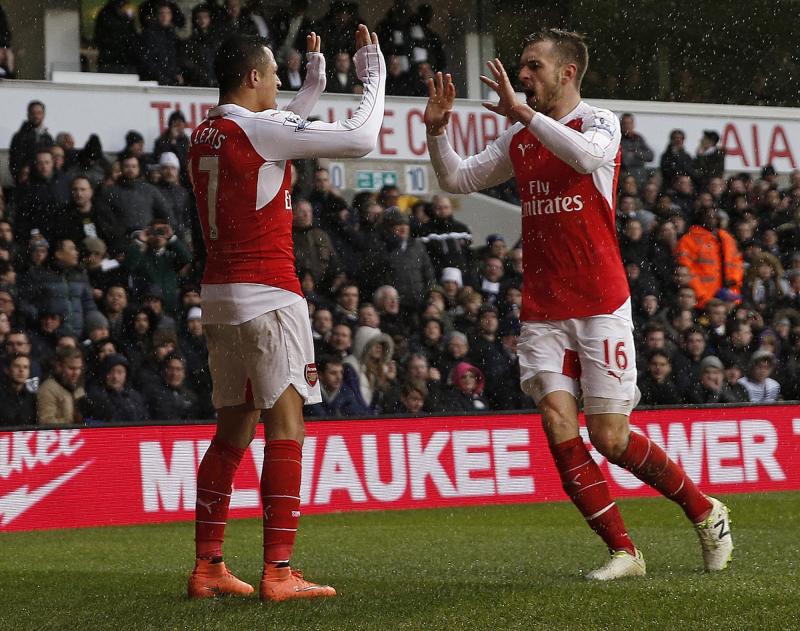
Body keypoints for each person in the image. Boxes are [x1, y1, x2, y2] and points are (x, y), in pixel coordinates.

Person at [424, 28, 732, 580]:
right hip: (543, 308)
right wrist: (437, 130)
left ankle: (706, 511)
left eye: (532, 66)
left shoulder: (599, 122)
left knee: (609, 437)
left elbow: (587, 158)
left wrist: (523, 115)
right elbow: (455, 177)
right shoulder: (519, 138)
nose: (521, 76)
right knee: (556, 421)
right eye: (521, 67)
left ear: (567, 72)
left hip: (600, 302)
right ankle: (623, 552)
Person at [186, 27, 385, 600]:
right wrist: (372, 75)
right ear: (252, 77)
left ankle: (209, 566)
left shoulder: (207, 133)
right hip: (269, 295)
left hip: (220, 297)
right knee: (287, 427)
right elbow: (362, 138)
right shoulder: (258, 128)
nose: (279, 81)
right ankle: (278, 572)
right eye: (274, 73)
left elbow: (266, 146)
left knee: (231, 432)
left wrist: (309, 93)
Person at [36, 347, 86, 425]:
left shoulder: (78, 387)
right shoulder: (48, 389)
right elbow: (46, 422)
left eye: (79, 368)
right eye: (71, 368)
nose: (76, 373)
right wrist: (72, 423)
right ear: (59, 366)